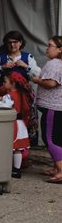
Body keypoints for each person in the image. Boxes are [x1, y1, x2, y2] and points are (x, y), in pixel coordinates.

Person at [0, 30, 41, 162]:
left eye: (15, 42)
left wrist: (25, 66)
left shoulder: (28, 57)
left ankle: (22, 153)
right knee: (3, 120)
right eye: (9, 42)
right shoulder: (0, 57)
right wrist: (3, 67)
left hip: (22, 96)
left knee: (22, 121)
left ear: (21, 43)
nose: (12, 45)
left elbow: (37, 74)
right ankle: (1, 151)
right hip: (3, 93)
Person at [32, 36, 62, 183]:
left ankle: (61, 171)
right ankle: (56, 168)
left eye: (50, 45)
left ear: (59, 49)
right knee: (57, 139)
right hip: (57, 108)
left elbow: (51, 83)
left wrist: (37, 80)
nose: (47, 48)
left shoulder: (55, 63)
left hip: (53, 107)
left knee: (50, 139)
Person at [0, 72, 34, 178]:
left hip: (11, 124)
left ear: (13, 83)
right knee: (18, 149)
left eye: (5, 82)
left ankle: (4, 167)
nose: (3, 84)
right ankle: (17, 169)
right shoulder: (22, 95)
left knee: (7, 147)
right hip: (20, 124)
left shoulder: (8, 97)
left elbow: (1, 109)